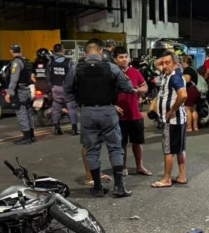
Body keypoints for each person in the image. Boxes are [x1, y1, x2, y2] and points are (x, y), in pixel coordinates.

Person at [65, 38, 136, 198]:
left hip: (87, 113)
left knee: (92, 150)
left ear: (85, 53)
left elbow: (67, 91)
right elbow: (129, 88)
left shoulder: (75, 68)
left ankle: (97, 187)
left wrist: (76, 109)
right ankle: (119, 187)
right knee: (115, 148)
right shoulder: (111, 67)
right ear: (101, 52)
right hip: (108, 111)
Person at [113, 46, 152, 177]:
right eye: (121, 57)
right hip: (119, 116)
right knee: (121, 144)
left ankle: (140, 166)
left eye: (126, 57)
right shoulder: (112, 73)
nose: (124, 60)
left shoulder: (135, 72)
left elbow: (145, 87)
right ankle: (123, 167)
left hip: (135, 114)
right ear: (115, 59)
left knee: (138, 142)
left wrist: (138, 91)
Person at [151, 52, 188, 188]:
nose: (164, 65)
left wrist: (171, 110)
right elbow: (156, 63)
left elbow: (183, 95)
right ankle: (182, 176)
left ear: (176, 64)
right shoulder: (170, 73)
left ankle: (167, 179)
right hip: (179, 120)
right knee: (179, 149)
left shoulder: (174, 77)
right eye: (164, 63)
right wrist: (168, 55)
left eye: (168, 63)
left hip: (173, 120)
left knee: (169, 150)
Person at [5, 44, 35, 145]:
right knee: (29, 113)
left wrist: (9, 93)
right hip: (29, 89)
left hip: (21, 91)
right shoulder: (27, 61)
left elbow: (14, 79)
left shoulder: (16, 63)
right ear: (21, 50)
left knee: (22, 113)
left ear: (11, 51)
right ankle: (31, 135)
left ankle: (26, 137)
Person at [48, 43, 79, 136]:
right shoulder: (69, 61)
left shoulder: (50, 62)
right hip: (66, 88)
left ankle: (56, 129)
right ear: (63, 50)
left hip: (55, 87)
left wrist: (52, 85)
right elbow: (74, 75)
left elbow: (48, 75)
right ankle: (74, 129)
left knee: (56, 108)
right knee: (71, 108)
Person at [181, 55, 201, 132]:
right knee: (194, 110)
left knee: (187, 109)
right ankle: (195, 126)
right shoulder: (193, 69)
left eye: (182, 62)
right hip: (195, 90)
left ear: (185, 62)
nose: (181, 64)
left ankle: (189, 127)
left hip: (190, 90)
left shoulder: (187, 70)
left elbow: (187, 80)